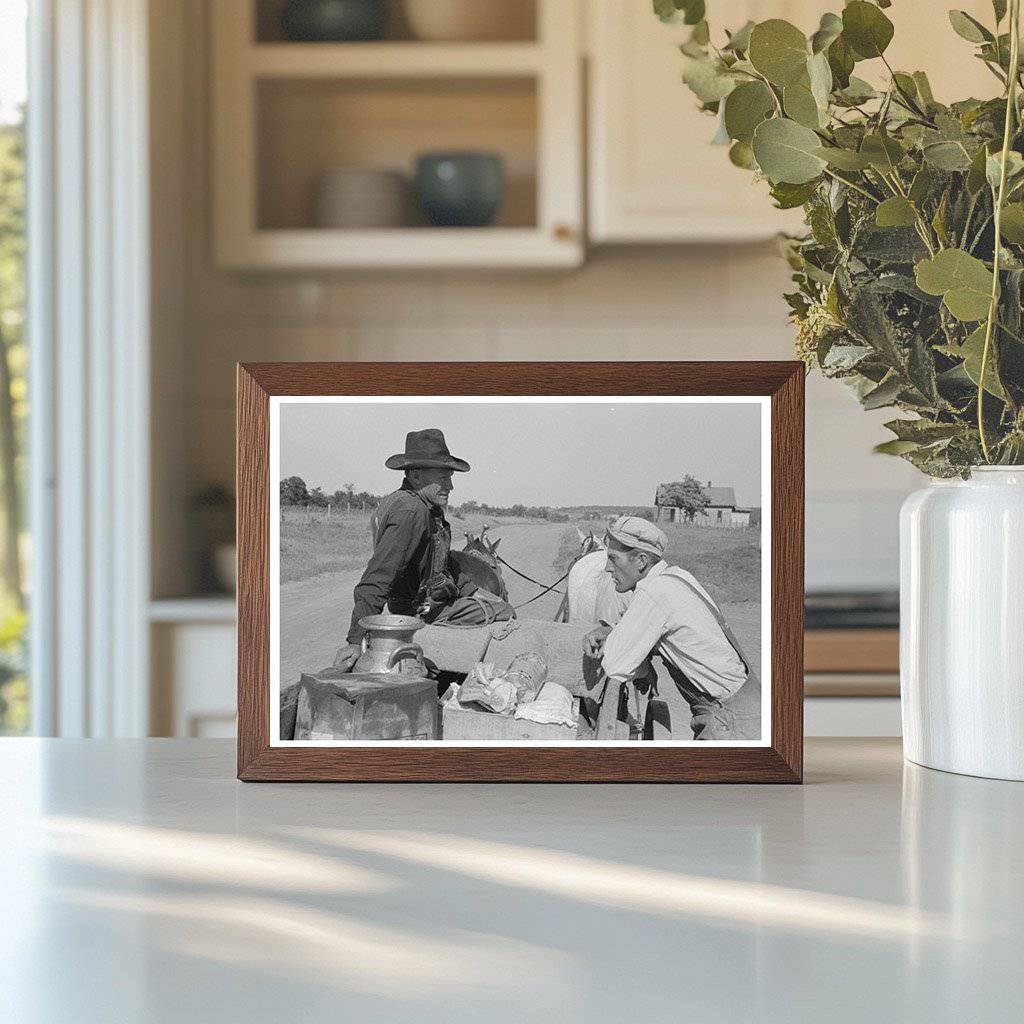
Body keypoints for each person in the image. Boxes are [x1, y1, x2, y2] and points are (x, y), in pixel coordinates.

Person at [333, 428, 499, 671]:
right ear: (415, 475)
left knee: (490, 598)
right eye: (443, 478)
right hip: (424, 610)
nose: (451, 486)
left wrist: (472, 591)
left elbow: (442, 562)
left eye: (450, 478)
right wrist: (356, 640)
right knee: (504, 611)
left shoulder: (420, 505)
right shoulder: (411, 512)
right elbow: (377, 578)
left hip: (426, 602)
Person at [581, 515, 760, 740]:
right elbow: (672, 632)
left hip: (729, 720)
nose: (607, 568)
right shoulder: (677, 577)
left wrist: (612, 639)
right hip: (749, 705)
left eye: (614, 559)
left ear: (641, 560)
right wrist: (611, 631)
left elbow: (616, 663)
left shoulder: (653, 592)